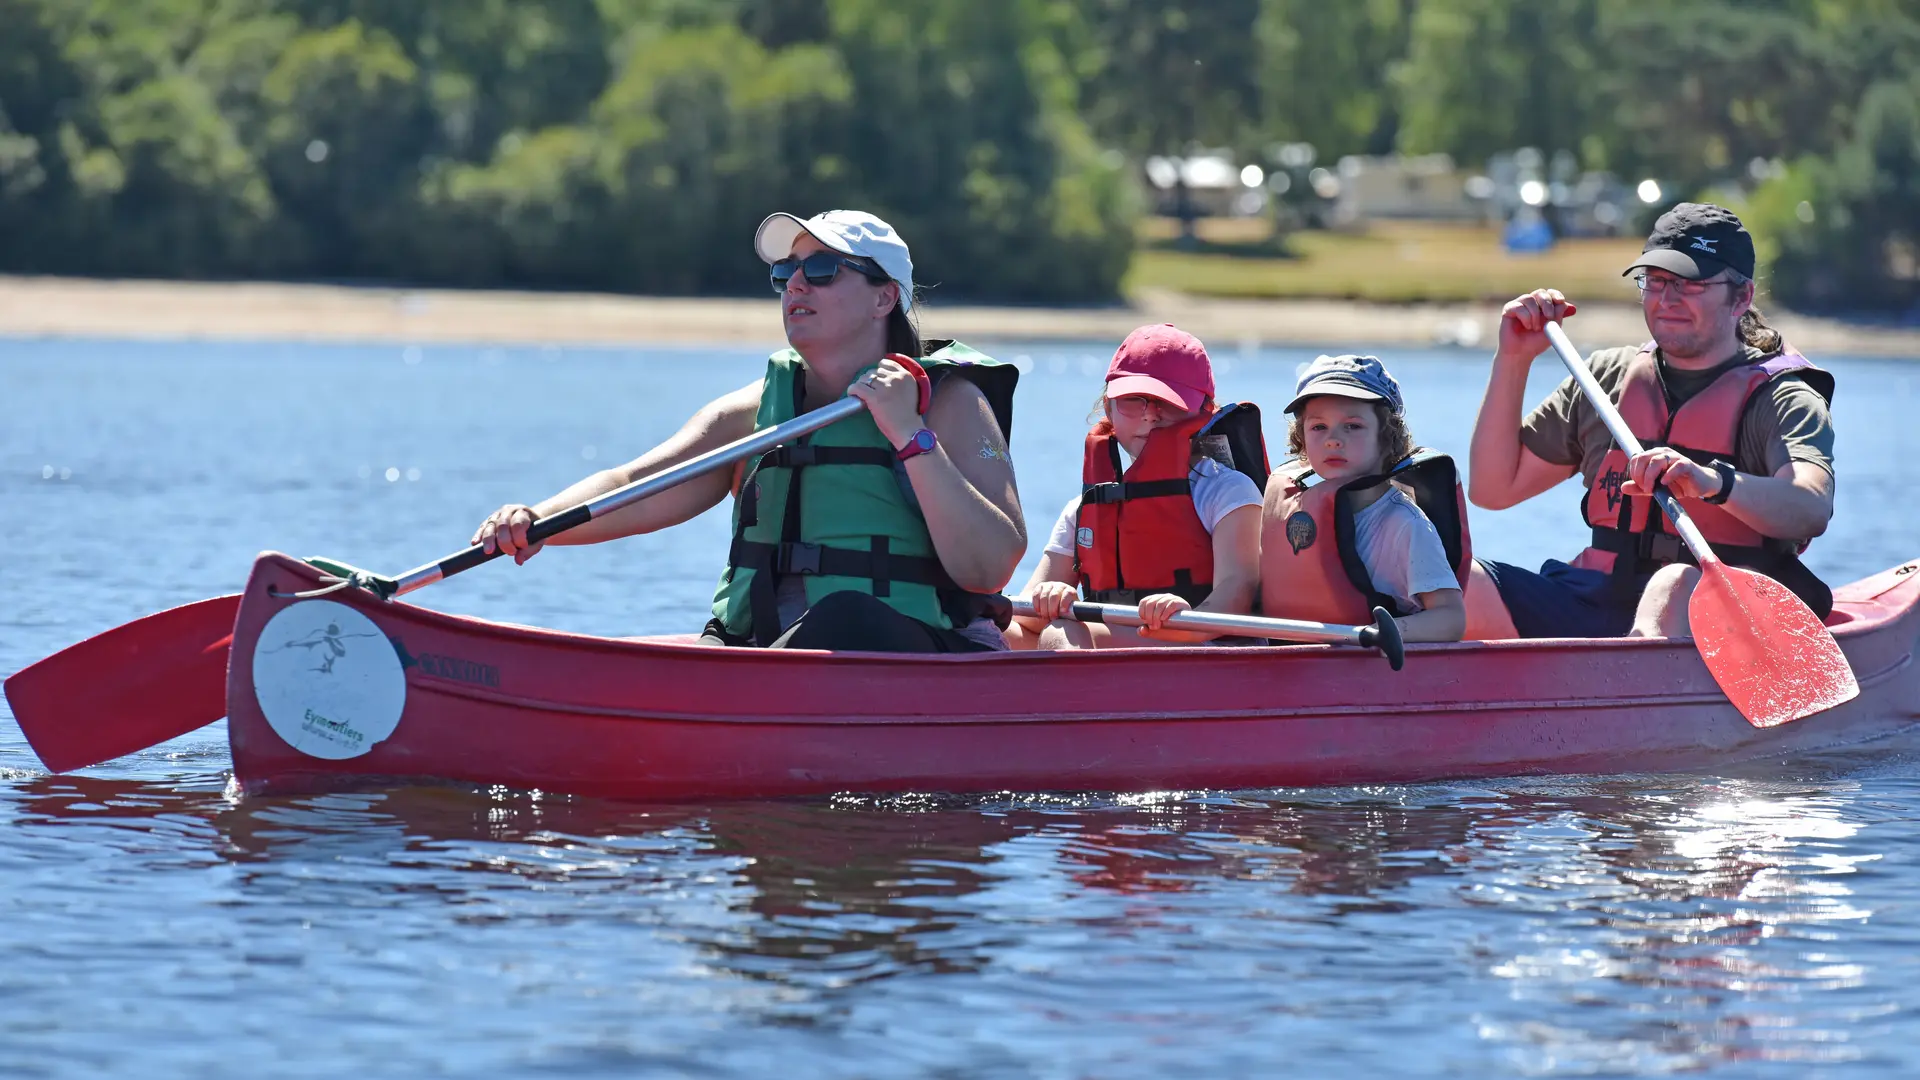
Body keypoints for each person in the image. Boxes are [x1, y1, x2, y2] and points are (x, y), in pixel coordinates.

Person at [472, 209, 1026, 652]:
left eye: (823, 270)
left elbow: (990, 566)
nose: (796, 287)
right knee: (729, 644)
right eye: (786, 274)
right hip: (762, 651)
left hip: (907, 653)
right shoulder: (751, 413)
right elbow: (635, 485)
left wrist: (908, 432)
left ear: (884, 297)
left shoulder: (948, 404)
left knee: (847, 615)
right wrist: (537, 520)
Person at [1466, 202, 1836, 639]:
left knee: (1673, 583)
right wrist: (1513, 360)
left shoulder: (1782, 398)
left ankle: (1629, 693)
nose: (1667, 299)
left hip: (1729, 610)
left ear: (1742, 297)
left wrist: (1713, 482)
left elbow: (1810, 508)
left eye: (1691, 284)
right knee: (1459, 582)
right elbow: (1492, 489)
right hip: (1601, 594)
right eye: (1656, 282)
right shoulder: (1604, 378)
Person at [1008, 324, 1269, 648]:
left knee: (1064, 633)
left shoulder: (1228, 491)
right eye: (1134, 402)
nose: (1150, 417)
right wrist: (1050, 597)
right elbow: (1025, 615)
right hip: (1112, 648)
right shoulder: (1083, 509)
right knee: (999, 634)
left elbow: (1237, 595)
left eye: (1168, 403)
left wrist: (1179, 619)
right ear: (1109, 410)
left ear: (1204, 412)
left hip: (1201, 651)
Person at [1259, 354, 1469, 643]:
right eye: (1318, 427)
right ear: (1302, 439)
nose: (1333, 439)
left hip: (1373, 673)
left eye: (1353, 426)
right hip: (1297, 672)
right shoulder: (1293, 510)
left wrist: (1385, 632)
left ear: (1387, 438)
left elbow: (1451, 617)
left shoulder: (1405, 525)